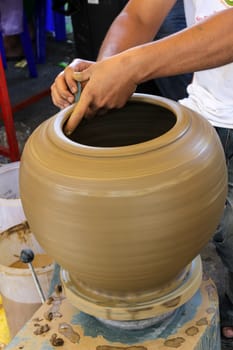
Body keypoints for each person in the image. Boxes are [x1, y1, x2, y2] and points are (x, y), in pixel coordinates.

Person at [51, 0, 233, 344]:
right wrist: (103, 72)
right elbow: (139, 14)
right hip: (209, 107)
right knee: (220, 229)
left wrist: (131, 67)